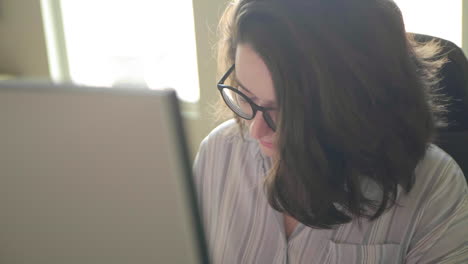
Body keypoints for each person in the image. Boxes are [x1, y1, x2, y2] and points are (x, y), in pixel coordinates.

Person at [193, 0, 468, 263]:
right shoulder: (219, 154)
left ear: (358, 104)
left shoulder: (433, 190)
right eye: (246, 95)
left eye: (286, 111)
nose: (256, 130)